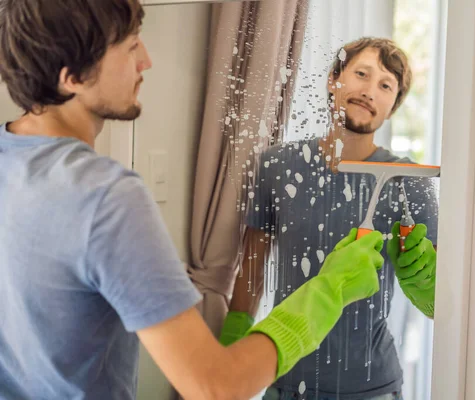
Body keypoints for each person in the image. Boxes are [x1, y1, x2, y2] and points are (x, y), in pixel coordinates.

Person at [0, 2, 388, 399]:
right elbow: (215, 386)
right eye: (131, 46)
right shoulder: (105, 198)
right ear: (74, 78)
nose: (146, 61)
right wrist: (331, 287)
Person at [219, 38, 439, 400]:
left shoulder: (408, 181)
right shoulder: (278, 166)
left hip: (373, 387)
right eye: (361, 74)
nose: (369, 91)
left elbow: (439, 295)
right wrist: (232, 343)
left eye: (385, 86)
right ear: (333, 79)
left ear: (393, 105)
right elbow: (251, 271)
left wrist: (426, 280)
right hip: (286, 377)